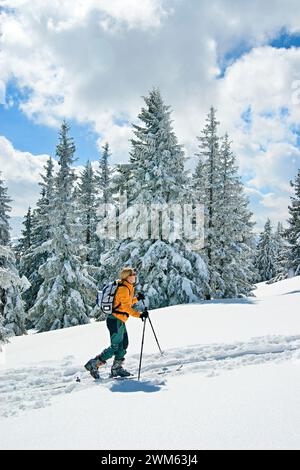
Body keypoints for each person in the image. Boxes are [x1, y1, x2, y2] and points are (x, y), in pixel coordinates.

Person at [84, 267, 148, 379]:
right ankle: (93, 363)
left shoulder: (127, 287)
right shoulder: (123, 288)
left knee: (123, 344)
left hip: (120, 320)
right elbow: (126, 308)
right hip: (115, 320)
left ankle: (116, 368)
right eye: (133, 274)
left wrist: (136, 299)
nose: (135, 275)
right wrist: (140, 315)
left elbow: (125, 303)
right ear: (127, 276)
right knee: (115, 346)